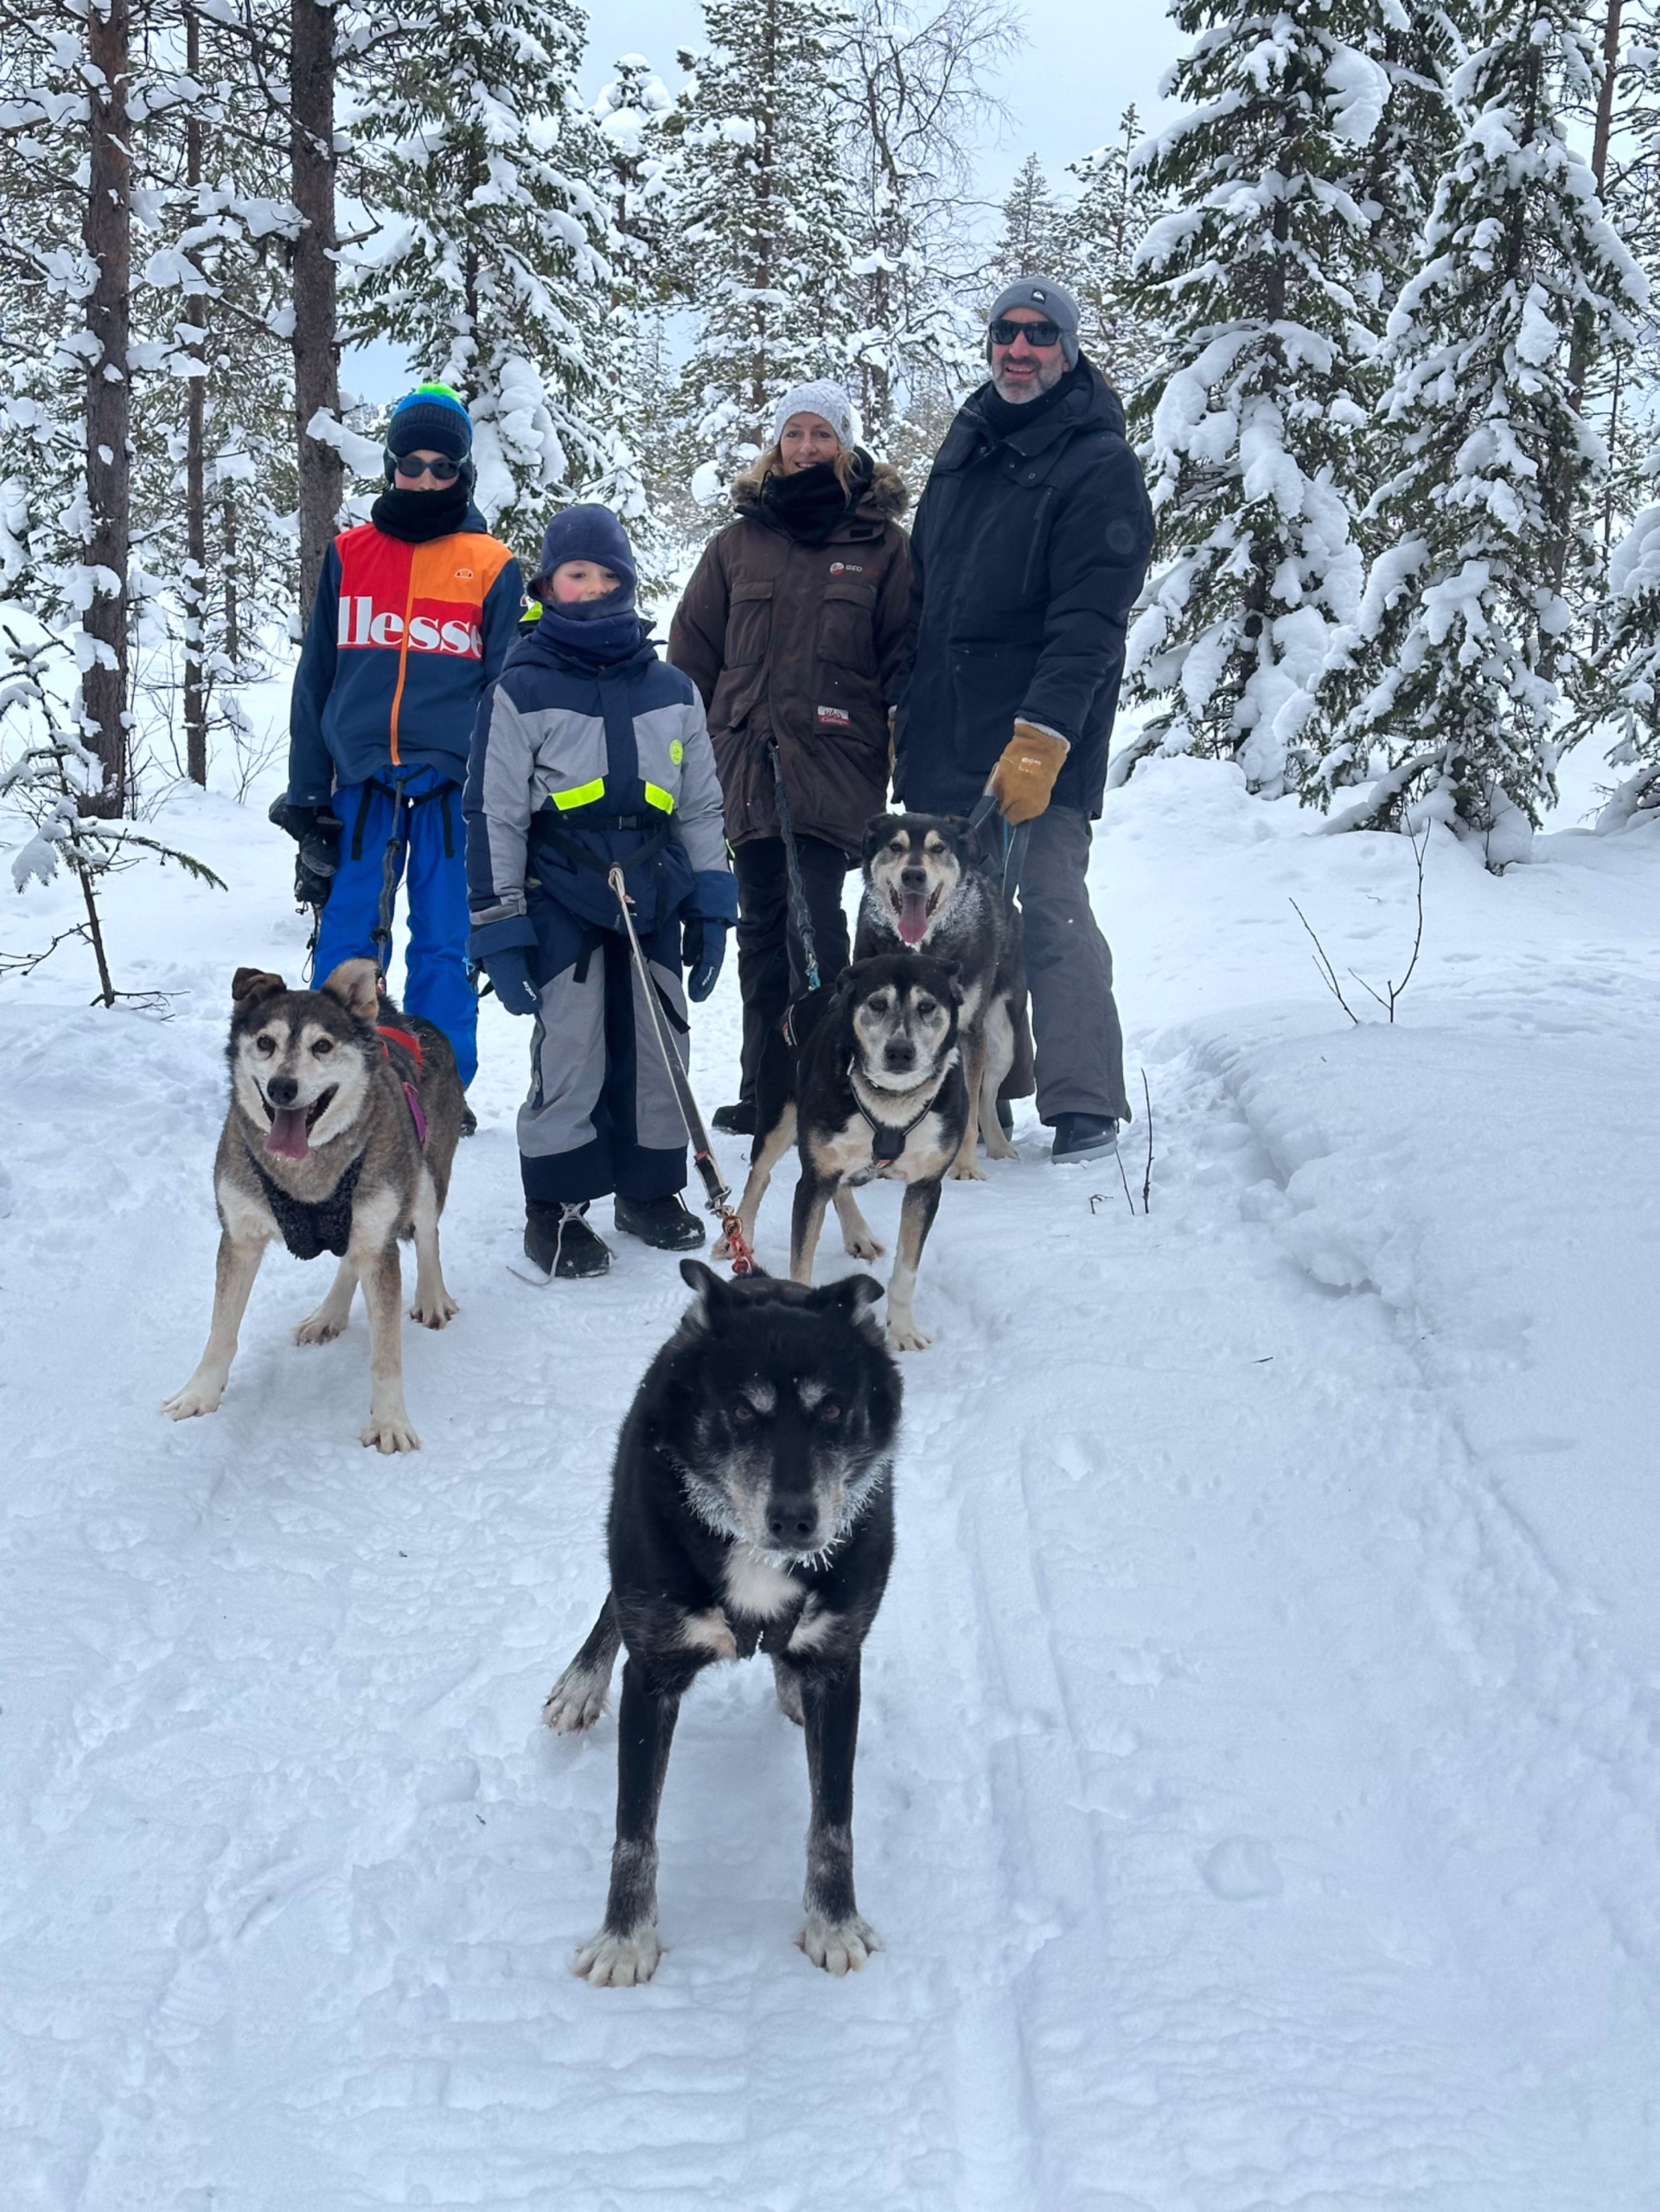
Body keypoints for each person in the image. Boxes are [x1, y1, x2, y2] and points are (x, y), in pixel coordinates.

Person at [895, 278, 1154, 1163]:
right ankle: (971, 1100)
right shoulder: (965, 446)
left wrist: (1042, 735)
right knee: (947, 923)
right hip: (943, 736)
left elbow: (1090, 617)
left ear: (1068, 349)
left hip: (1038, 742)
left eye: (1040, 334)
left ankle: (1083, 1103)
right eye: (1006, 332)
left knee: (1048, 911)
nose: (1019, 348)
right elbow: (924, 590)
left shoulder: (1098, 462)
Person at [463, 506, 736, 1280]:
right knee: (574, 1048)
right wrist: (499, 927)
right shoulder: (519, 687)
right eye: (576, 575)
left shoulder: (672, 687)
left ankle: (650, 1191)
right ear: (549, 585)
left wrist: (713, 903)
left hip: (650, 888)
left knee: (661, 1048)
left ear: (626, 583)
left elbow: (702, 805)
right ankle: (556, 1207)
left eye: (606, 575)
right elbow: (493, 813)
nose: (591, 588)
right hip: (561, 892)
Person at [669, 381, 912, 1136]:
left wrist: (906, 741)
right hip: (743, 761)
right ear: (776, 444)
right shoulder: (737, 544)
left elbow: (905, 657)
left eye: (822, 434)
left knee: (818, 928)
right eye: (794, 433)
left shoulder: (880, 544)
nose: (806, 446)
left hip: (835, 761)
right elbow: (691, 658)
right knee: (762, 927)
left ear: (845, 443)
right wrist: (686, 754)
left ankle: (832, 1085)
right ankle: (765, 1086)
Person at [277, 383, 522, 1090]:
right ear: (389, 466)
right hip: (360, 783)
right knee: (349, 938)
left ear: (463, 473)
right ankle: (329, 1077)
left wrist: (502, 799)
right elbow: (316, 678)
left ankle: (440, 1085)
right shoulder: (350, 554)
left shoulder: (492, 563)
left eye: (441, 466)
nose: (424, 478)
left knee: (446, 943)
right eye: (410, 463)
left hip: (453, 788)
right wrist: (305, 796)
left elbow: (504, 695)